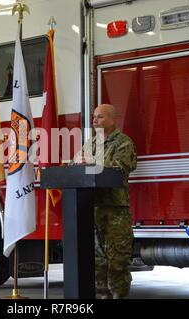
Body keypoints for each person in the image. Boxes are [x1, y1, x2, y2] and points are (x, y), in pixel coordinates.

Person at [72, 104, 137, 299]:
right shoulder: (91, 144)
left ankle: (119, 296)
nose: (94, 121)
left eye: (99, 117)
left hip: (115, 211)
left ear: (111, 120)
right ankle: (103, 296)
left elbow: (120, 167)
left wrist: (92, 164)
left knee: (117, 260)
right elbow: (75, 163)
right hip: (93, 209)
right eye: (93, 117)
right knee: (98, 261)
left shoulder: (123, 143)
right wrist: (76, 164)